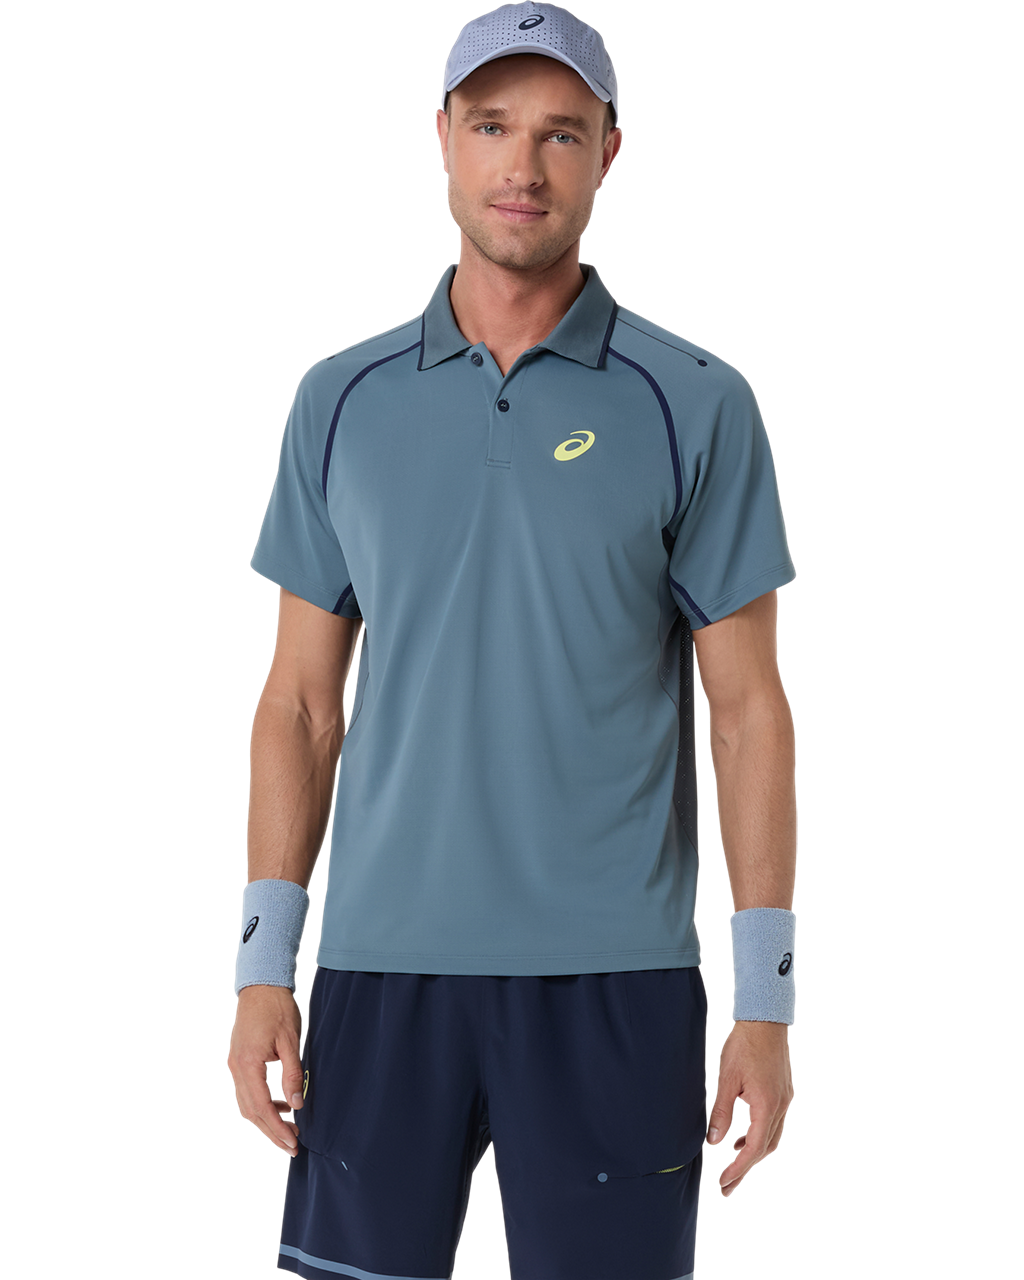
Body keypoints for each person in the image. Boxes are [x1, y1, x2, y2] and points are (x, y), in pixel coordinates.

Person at [227, 4, 798, 1278]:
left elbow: (749, 710)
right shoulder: (338, 399)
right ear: (441, 137)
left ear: (608, 155)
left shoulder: (697, 401)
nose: (522, 167)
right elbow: (300, 704)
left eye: (560, 133)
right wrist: (263, 966)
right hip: (377, 973)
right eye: (491, 126)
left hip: (616, 980)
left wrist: (766, 1000)